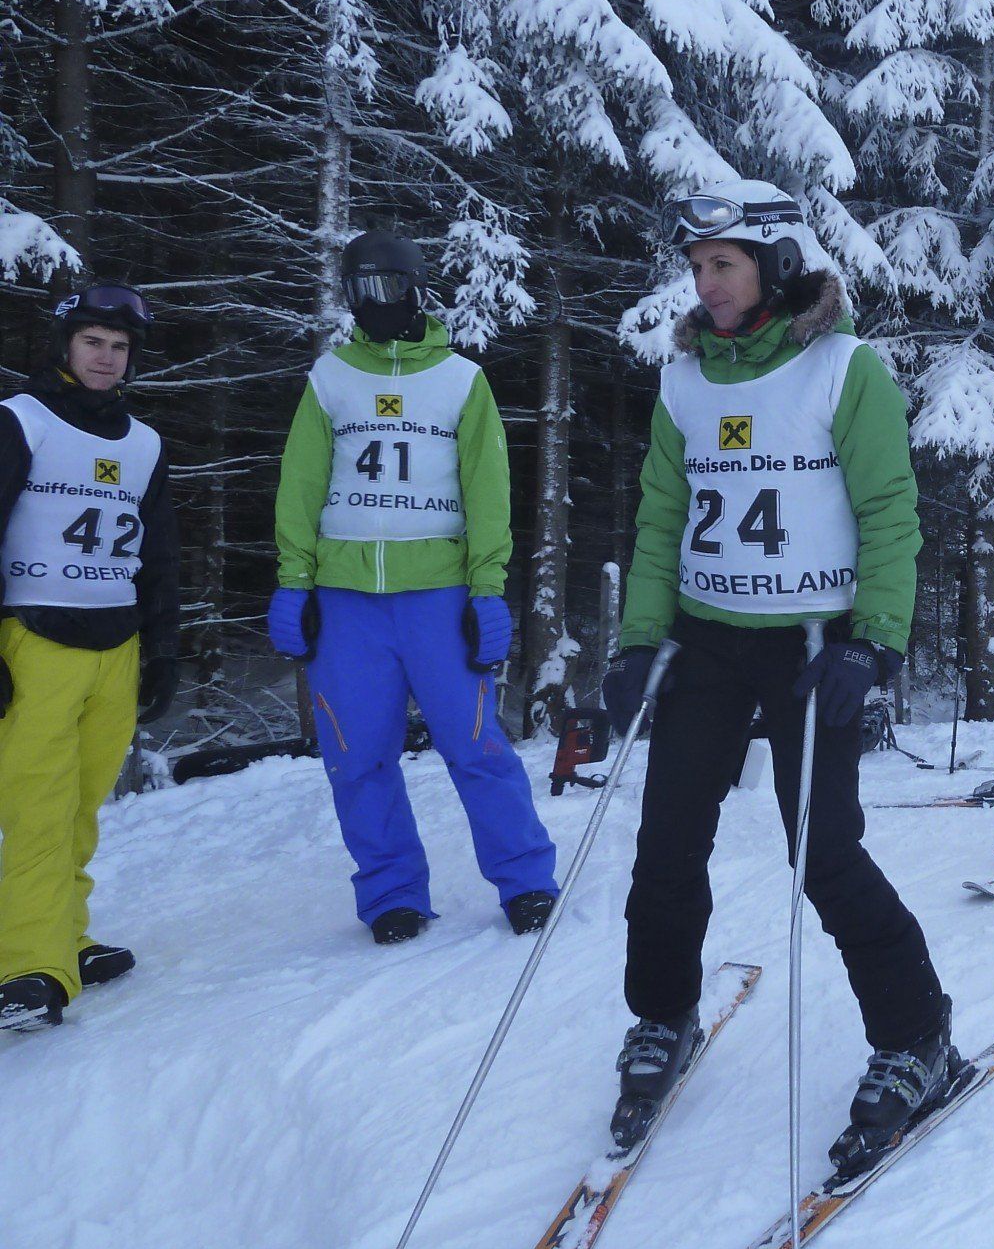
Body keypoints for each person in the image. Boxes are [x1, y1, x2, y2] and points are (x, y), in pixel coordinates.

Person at [603, 180, 952, 1171]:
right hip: (709, 639)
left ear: (775, 268)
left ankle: (916, 1032)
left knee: (825, 852)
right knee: (665, 843)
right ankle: (661, 1015)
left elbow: (889, 510)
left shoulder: (843, 371)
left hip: (812, 638)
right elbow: (663, 519)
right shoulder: (683, 382)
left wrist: (874, 645)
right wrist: (637, 643)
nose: (705, 284)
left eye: (723, 265)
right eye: (697, 267)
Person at [268, 230, 558, 945]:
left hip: (438, 597)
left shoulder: (461, 379)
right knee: (357, 754)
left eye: (388, 288)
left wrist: (488, 590)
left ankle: (525, 881)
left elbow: (489, 491)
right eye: (361, 290)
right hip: (346, 605)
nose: (376, 303)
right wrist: (293, 583)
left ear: (416, 289)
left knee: (476, 745)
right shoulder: (330, 378)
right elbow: (301, 485)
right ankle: (393, 891)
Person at [0, 285, 179, 1032]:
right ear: (65, 347)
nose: (106, 357)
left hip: (117, 642)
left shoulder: (144, 444)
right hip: (36, 638)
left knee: (79, 807)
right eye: (93, 342)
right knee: (37, 808)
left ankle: (64, 939)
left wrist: (162, 650)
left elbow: (158, 555)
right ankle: (27, 966)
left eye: (119, 347)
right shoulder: (21, 421)